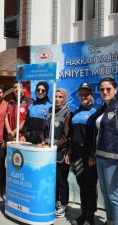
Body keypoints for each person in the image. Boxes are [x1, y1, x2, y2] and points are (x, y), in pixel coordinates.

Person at [95, 77, 118, 225]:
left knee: (114, 195)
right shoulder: (103, 109)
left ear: (115, 90)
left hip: (114, 159)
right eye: (102, 89)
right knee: (105, 193)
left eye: (108, 88)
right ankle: (110, 221)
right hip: (100, 157)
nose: (105, 91)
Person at [69, 82, 99, 225]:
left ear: (92, 95)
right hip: (77, 154)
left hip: (89, 155)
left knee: (90, 186)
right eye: (81, 94)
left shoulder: (96, 112)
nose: (83, 96)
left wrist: (93, 155)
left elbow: (98, 137)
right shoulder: (75, 113)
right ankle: (83, 214)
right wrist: (70, 152)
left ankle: (90, 217)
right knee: (82, 185)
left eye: (86, 94)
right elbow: (71, 136)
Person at [42, 88, 72, 218]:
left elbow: (66, 137)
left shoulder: (68, 113)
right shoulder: (50, 111)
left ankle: (64, 204)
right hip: (48, 153)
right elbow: (43, 129)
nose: (57, 99)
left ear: (65, 98)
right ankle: (54, 202)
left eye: (60, 97)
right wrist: (43, 141)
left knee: (61, 180)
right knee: (50, 180)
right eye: (55, 96)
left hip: (60, 153)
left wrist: (54, 146)